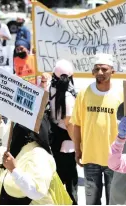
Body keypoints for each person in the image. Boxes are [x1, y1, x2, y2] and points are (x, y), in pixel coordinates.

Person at [0, 117, 72, 205]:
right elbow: (12, 157)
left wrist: (14, 170)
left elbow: (37, 192)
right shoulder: (25, 148)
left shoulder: (39, 155)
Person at [70, 53, 123, 205]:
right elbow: (77, 124)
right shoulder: (83, 94)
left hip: (113, 158)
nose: (100, 73)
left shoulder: (120, 94)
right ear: (92, 72)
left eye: (104, 69)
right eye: (96, 69)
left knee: (114, 201)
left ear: (112, 71)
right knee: (92, 202)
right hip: (90, 157)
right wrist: (77, 149)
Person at [48, 59, 78, 204]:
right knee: (71, 185)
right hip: (68, 145)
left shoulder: (50, 90)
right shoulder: (68, 96)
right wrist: (79, 147)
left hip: (54, 142)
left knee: (57, 182)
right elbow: (69, 123)